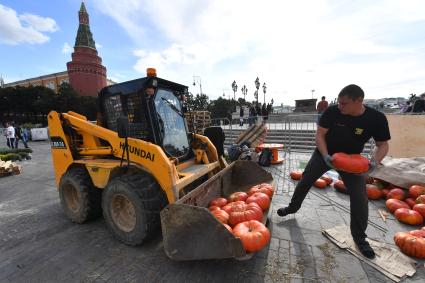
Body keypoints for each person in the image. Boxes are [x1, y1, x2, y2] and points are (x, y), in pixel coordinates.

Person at [277, 84, 390, 259]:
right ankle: (292, 207)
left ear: (359, 101)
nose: (340, 106)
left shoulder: (376, 118)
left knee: (360, 197)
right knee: (305, 180)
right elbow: (320, 135)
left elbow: (383, 145)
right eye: (339, 102)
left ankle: (360, 238)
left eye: (344, 103)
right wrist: (325, 155)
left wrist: (374, 162)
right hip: (325, 154)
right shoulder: (332, 112)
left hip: (352, 160)